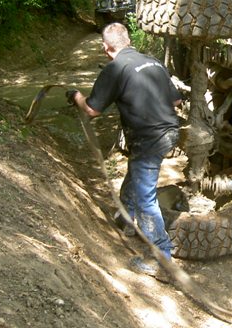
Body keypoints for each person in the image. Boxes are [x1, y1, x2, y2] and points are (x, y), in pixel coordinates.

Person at [67, 22, 181, 278]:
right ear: (128, 40)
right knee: (137, 172)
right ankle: (125, 219)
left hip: (148, 139)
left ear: (105, 47)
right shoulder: (153, 62)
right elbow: (175, 100)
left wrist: (76, 97)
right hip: (170, 133)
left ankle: (161, 259)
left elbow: (92, 109)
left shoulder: (115, 68)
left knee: (145, 198)